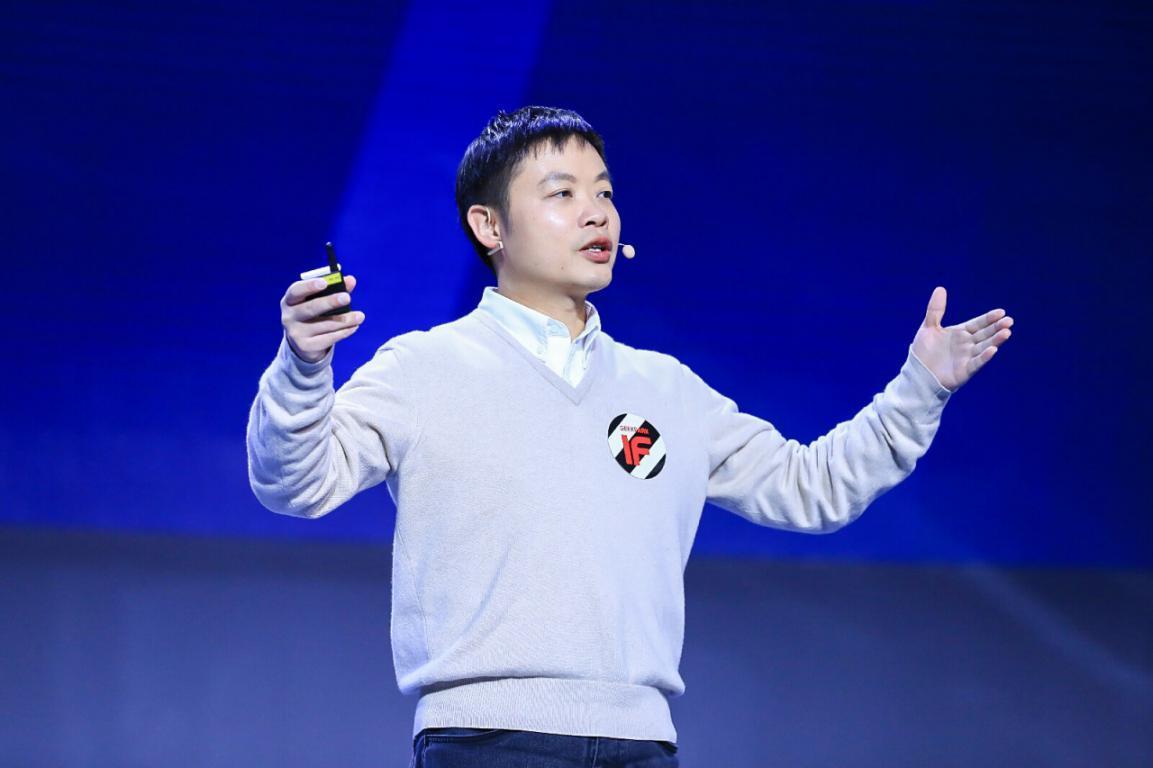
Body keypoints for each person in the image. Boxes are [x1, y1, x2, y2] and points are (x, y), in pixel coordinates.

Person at [245, 106, 1014, 767]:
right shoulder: (424, 367)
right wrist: (303, 367)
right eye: (562, 193)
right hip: (485, 740)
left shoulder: (665, 388)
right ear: (489, 225)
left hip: (642, 743)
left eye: (605, 193)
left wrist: (921, 386)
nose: (596, 214)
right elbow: (295, 482)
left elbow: (810, 488)